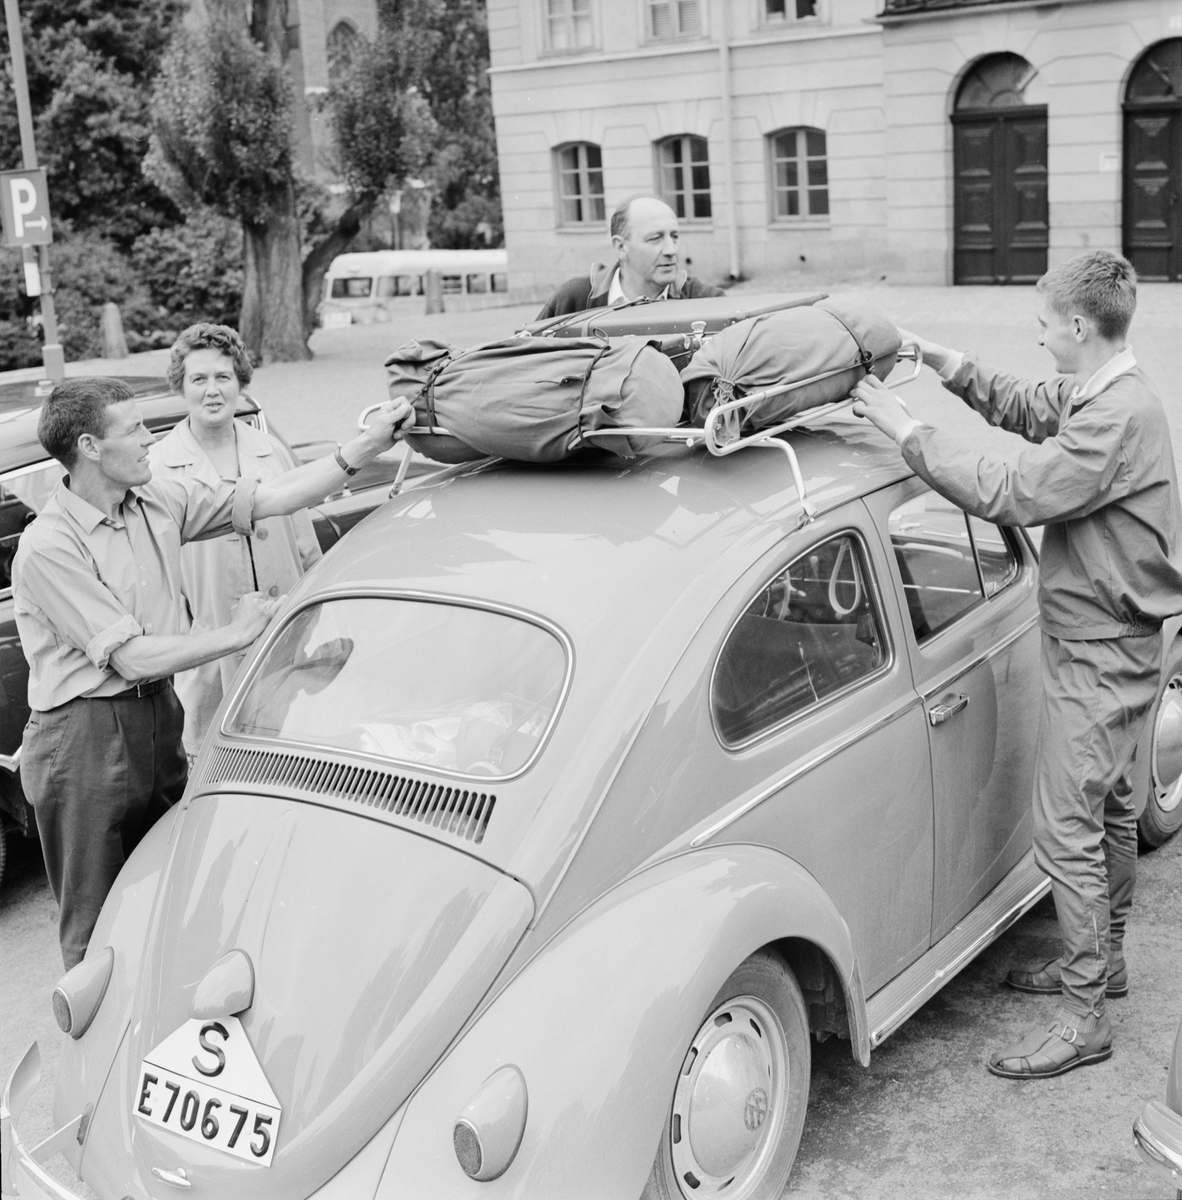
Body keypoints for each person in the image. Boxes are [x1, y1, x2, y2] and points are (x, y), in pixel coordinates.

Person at [850, 250, 1182, 1079]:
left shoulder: (1116, 420)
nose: (1039, 340)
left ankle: (1084, 1018)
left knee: (1062, 829)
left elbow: (1012, 488)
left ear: (1078, 325)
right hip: (1106, 640)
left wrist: (906, 432)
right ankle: (1102, 967)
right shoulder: (1109, 392)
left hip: (1102, 651)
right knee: (1105, 809)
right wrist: (943, 363)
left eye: (1043, 326)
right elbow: (1033, 406)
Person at [13, 376, 412, 968]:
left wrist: (366, 446)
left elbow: (273, 497)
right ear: (91, 447)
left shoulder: (155, 498)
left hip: (157, 715)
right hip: (83, 740)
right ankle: (97, 1054)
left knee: (173, 889)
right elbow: (129, 658)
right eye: (134, 429)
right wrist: (238, 633)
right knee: (97, 927)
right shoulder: (48, 546)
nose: (151, 439)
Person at [150, 324, 321, 757]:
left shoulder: (271, 450)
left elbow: (307, 547)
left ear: (240, 383)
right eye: (199, 379)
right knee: (215, 759)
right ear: (181, 387)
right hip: (210, 654)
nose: (212, 391)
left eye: (223, 377)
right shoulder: (157, 468)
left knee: (289, 750)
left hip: (287, 640)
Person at [535, 194, 724, 319]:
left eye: (674, 237)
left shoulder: (705, 301)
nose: (671, 250)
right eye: (655, 238)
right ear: (621, 247)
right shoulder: (575, 300)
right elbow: (525, 357)